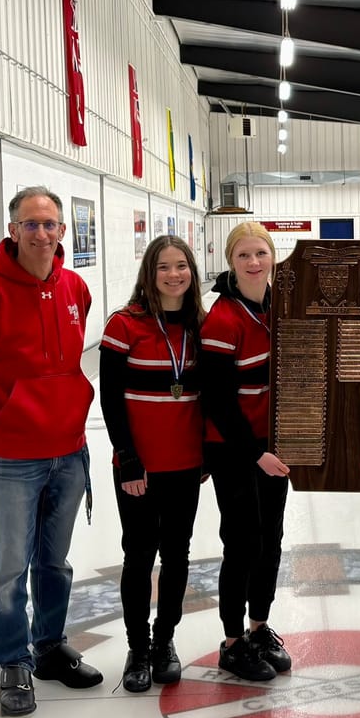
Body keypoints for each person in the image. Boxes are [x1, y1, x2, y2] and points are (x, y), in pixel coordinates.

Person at [0, 186, 102, 717]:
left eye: (51, 224)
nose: (42, 233)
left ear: (64, 231)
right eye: (31, 224)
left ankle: (50, 646)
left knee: (54, 563)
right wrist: (2, 422)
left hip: (69, 451)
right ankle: (14, 662)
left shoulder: (75, 287)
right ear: (12, 230)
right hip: (12, 460)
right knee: (10, 568)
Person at [99, 235, 206, 693]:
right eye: (164, 266)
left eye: (181, 266)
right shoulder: (125, 324)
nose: (174, 274)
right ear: (149, 273)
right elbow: (110, 398)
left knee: (178, 554)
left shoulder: (202, 325)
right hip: (139, 466)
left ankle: (165, 642)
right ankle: (137, 648)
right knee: (139, 556)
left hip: (186, 465)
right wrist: (127, 458)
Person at [199, 222, 292, 682]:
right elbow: (217, 401)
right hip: (235, 450)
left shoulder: (281, 306)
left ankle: (259, 627)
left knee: (270, 540)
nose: (254, 263)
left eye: (261, 254)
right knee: (242, 543)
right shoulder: (223, 318)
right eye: (244, 256)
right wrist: (256, 453)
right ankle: (233, 642)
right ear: (231, 262)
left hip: (275, 446)